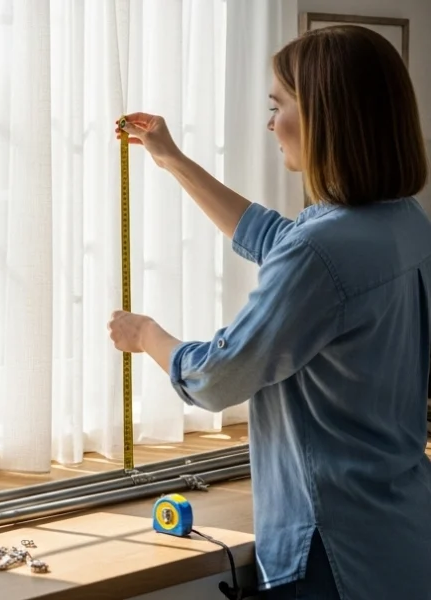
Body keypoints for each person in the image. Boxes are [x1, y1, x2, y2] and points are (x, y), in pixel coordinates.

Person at [108, 24, 431, 600]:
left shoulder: (322, 250)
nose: (270, 123)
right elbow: (282, 243)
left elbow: (216, 377)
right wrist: (173, 161)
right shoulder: (403, 221)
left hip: (333, 551)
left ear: (327, 117)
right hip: (400, 536)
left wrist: (147, 335)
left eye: (278, 106)